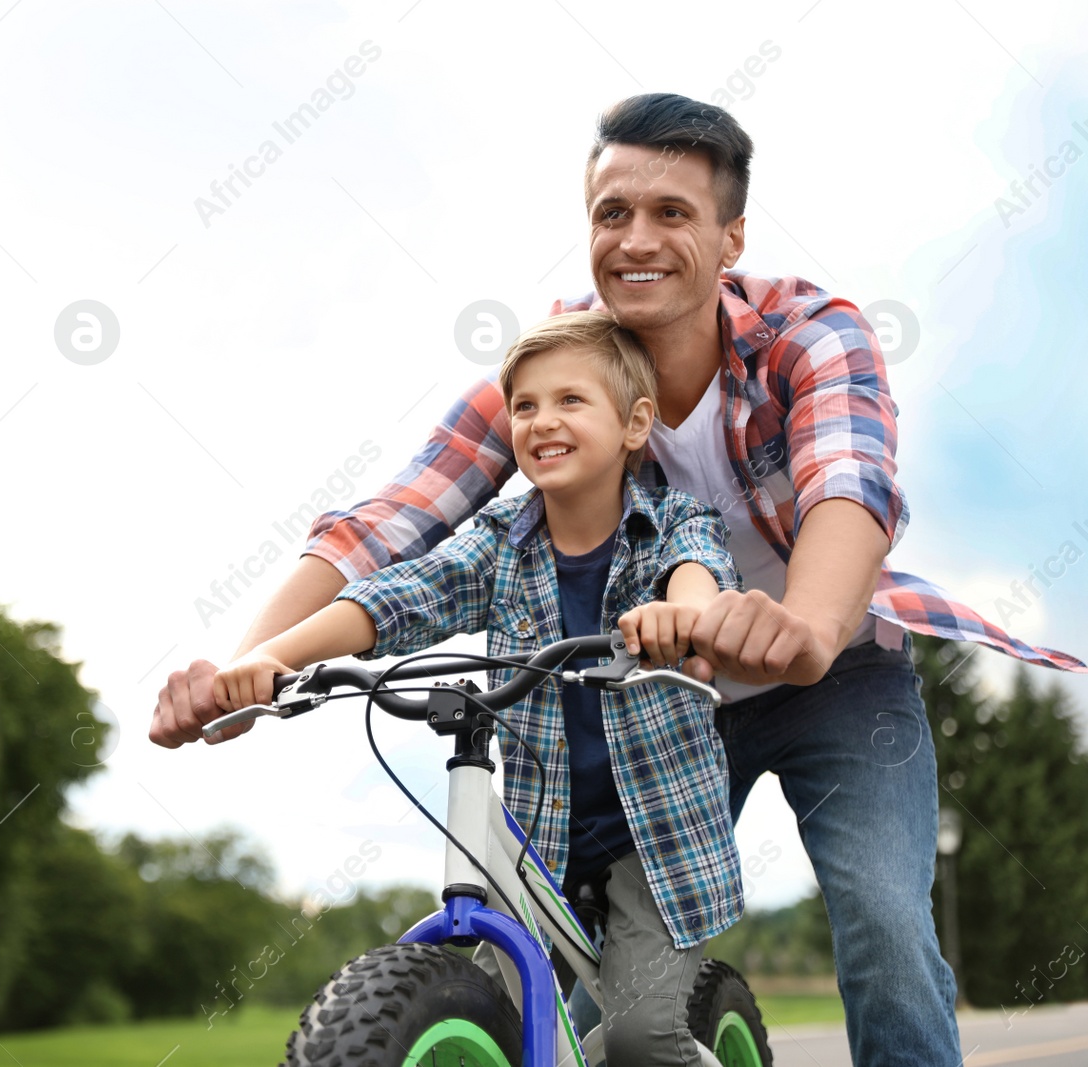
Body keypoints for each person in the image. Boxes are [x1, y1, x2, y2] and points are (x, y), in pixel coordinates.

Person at [154, 93, 1088, 1065]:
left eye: (671, 213)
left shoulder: (806, 331)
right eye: (612, 213)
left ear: (729, 237)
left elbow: (846, 484)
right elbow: (395, 521)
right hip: (644, 695)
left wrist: (804, 625)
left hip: (832, 674)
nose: (635, 239)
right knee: (569, 969)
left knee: (886, 925)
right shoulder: (567, 368)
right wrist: (246, 670)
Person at [214, 311, 742, 1062]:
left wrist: (682, 614)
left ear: (635, 424)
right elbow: (396, 597)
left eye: (570, 401)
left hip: (654, 839)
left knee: (634, 1036)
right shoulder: (500, 544)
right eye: (524, 406)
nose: (542, 421)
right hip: (541, 835)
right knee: (496, 1014)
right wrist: (272, 657)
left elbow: (698, 572)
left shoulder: (676, 518)